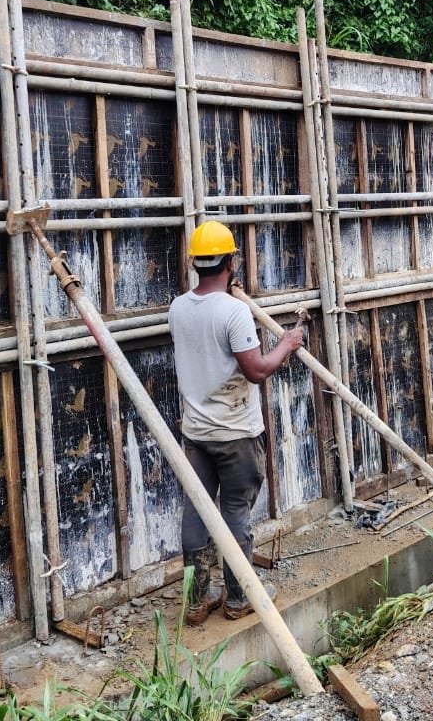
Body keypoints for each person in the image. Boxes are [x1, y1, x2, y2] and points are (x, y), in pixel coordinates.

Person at [169, 220, 305, 625]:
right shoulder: (235, 312)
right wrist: (288, 342)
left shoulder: (178, 307)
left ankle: (196, 601)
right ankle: (237, 597)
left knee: (197, 512)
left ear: (195, 263)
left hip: (196, 432)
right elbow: (257, 371)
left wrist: (228, 288)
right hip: (236, 434)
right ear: (230, 260)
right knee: (234, 513)